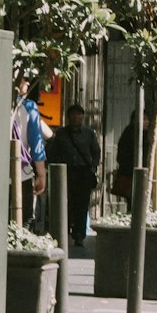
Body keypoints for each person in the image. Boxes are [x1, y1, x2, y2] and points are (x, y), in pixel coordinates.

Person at [47, 104, 101, 246]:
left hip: (83, 173)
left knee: (82, 205)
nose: (76, 117)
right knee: (65, 203)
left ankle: (79, 235)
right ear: (68, 117)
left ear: (83, 117)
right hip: (66, 172)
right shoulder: (61, 134)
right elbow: (53, 152)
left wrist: (93, 168)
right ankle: (64, 232)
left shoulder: (89, 133)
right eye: (73, 114)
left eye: (79, 115)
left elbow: (96, 151)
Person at [12, 78, 48, 233]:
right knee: (24, 219)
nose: (27, 84)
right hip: (22, 172)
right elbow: (36, 144)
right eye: (25, 80)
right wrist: (41, 174)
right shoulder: (28, 107)